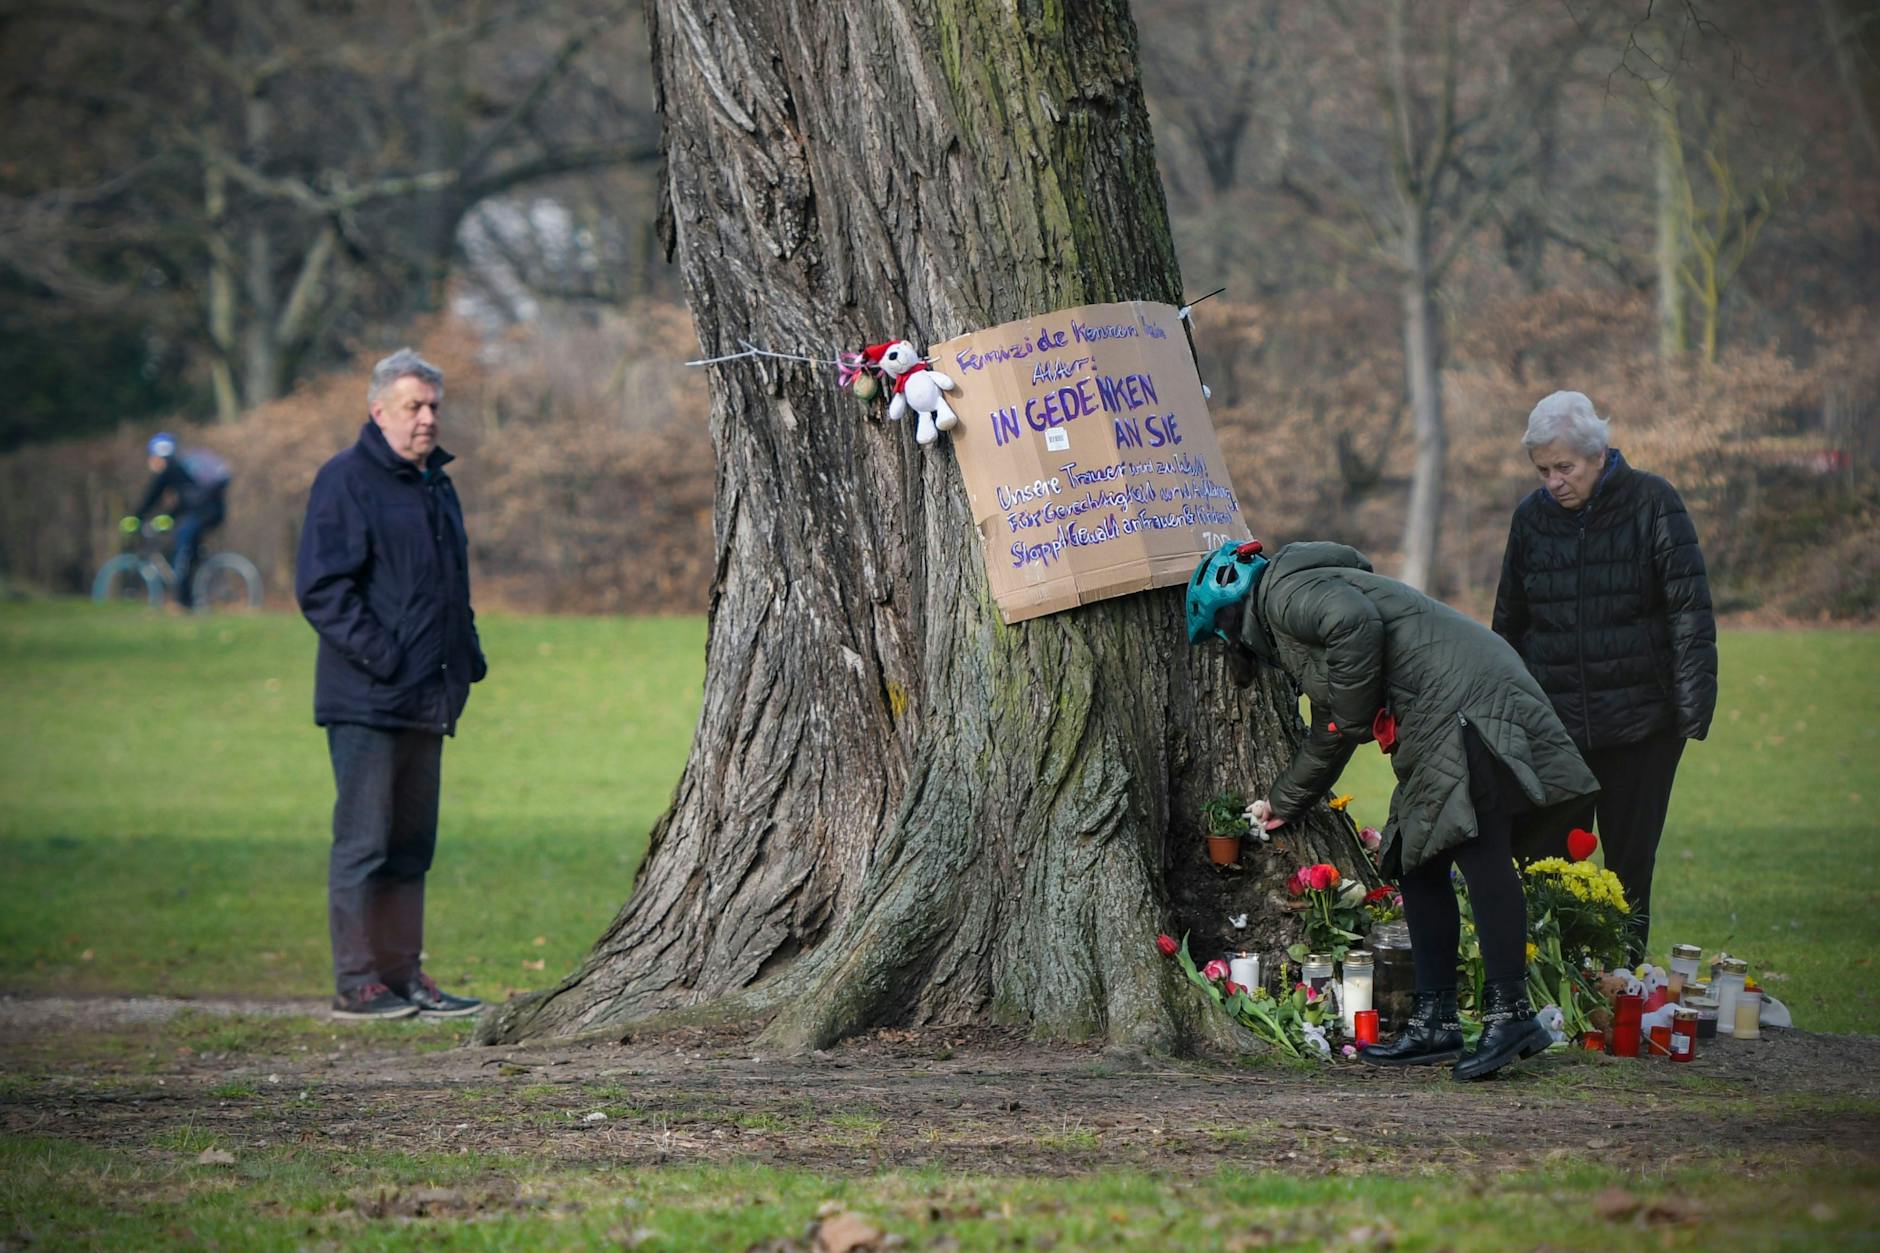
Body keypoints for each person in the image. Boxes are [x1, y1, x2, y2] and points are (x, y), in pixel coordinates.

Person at [1187, 538, 1598, 1079]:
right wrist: (1284, 802)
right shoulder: (1296, 612)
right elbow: (1332, 725)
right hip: (1441, 706)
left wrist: (1355, 716)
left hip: (1460, 702)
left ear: (1230, 620)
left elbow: (1354, 628)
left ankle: (1512, 1015)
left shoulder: (1282, 592)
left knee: (1477, 851)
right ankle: (1436, 1022)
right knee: (1416, 862)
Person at [296, 348, 489, 1021]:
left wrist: (468, 656)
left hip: (428, 697)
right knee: (365, 845)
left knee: (410, 849)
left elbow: (448, 586)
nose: (428, 418)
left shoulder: (437, 484)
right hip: (367, 700)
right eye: (415, 406)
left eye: (434, 405)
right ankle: (357, 982)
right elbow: (322, 590)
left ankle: (404, 976)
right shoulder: (346, 480)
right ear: (379, 412)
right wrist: (387, 658)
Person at [1493, 390, 1717, 963]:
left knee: (1629, 866)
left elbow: (1688, 613)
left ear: (1598, 455)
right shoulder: (1529, 520)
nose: (1554, 482)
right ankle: (1553, 983)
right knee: (1546, 866)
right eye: (1543, 470)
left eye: (1564, 467)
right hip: (1554, 728)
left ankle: (1621, 983)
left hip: (1643, 728)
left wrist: (1690, 714)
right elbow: (1509, 626)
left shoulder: (1654, 503)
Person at [129, 433, 231, 609]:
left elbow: (152, 497)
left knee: (182, 550)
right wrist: (169, 516)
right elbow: (187, 501)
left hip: (202, 514)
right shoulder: (182, 467)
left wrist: (136, 517)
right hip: (211, 512)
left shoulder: (169, 469)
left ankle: (184, 602)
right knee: (188, 548)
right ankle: (195, 590)